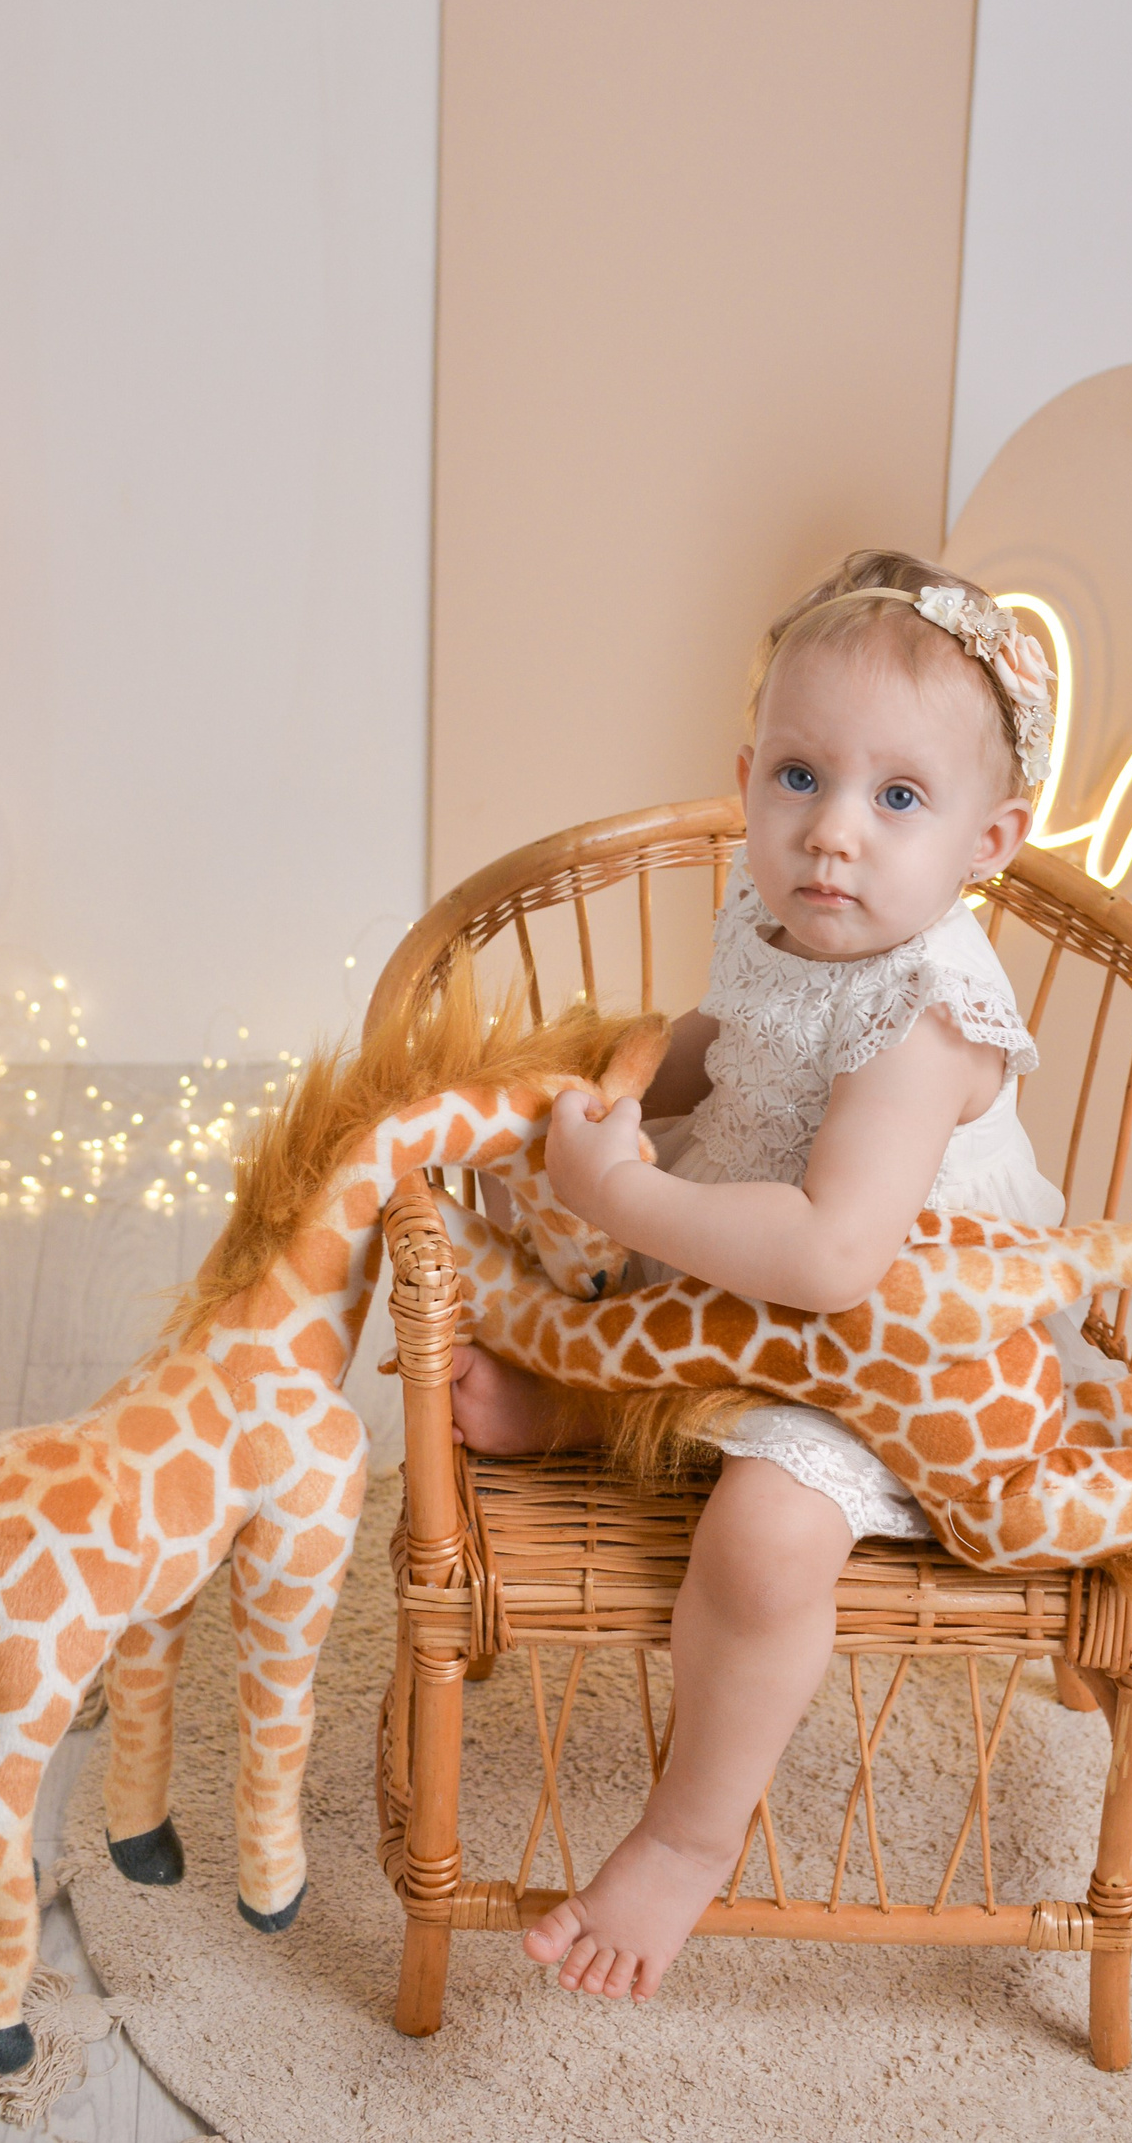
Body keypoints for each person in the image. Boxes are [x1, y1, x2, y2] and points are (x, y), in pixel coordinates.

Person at [449, 547, 1074, 2006]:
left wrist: (630, 1191)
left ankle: (685, 1837)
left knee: (767, 1540)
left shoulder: (931, 1012)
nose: (832, 835)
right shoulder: (776, 912)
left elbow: (836, 1257)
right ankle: (597, 1403)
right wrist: (610, 1083)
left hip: (897, 1348)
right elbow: (733, 1047)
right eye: (801, 776)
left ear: (988, 841)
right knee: (580, 1268)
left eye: (899, 798)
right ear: (747, 780)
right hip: (756, 1266)